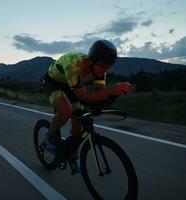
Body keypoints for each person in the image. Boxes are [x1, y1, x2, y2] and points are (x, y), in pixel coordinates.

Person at [41, 39, 132, 173]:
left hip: (72, 84)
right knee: (66, 112)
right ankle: (49, 136)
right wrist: (112, 89)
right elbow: (84, 96)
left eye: (109, 64)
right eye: (102, 63)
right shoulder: (74, 65)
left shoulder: (100, 71)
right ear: (92, 60)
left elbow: (100, 94)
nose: (105, 68)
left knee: (78, 125)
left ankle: (73, 155)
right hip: (54, 82)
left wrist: (114, 95)